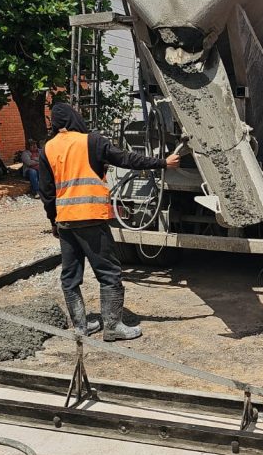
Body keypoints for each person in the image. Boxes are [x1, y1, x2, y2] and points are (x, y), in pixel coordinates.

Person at [39, 102, 181, 340]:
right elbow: (126, 159)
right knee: (109, 273)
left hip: (66, 221)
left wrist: (53, 220)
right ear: (74, 118)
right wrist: (162, 163)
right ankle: (113, 327)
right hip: (91, 217)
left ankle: (81, 327)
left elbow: (46, 191)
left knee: (70, 276)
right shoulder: (91, 141)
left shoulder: (48, 148)